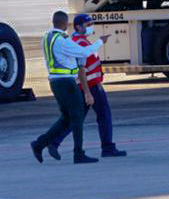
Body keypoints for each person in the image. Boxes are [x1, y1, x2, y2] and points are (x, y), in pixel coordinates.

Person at [31, 11, 108, 164]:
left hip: (55, 81)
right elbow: (85, 52)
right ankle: (78, 153)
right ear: (66, 24)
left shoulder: (47, 37)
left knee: (67, 117)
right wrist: (100, 42)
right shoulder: (62, 41)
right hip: (66, 82)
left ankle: (40, 144)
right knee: (77, 117)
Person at [47, 15, 126, 159]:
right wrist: (88, 92)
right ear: (78, 26)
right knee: (104, 115)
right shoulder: (80, 43)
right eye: (87, 24)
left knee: (76, 118)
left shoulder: (78, 40)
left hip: (85, 86)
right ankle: (107, 147)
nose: (90, 26)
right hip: (91, 86)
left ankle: (54, 141)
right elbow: (82, 68)